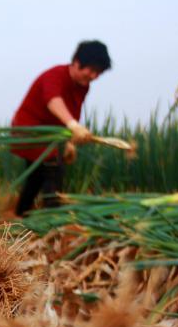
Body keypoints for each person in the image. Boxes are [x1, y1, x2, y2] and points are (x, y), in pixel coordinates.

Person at [11, 40, 111, 216]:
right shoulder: (55, 75)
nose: (94, 76)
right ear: (77, 62)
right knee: (53, 170)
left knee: (36, 177)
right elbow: (53, 100)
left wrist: (70, 141)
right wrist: (73, 125)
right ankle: (52, 220)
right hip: (32, 132)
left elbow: (73, 110)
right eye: (92, 70)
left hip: (52, 135)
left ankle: (22, 215)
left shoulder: (83, 85)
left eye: (98, 73)